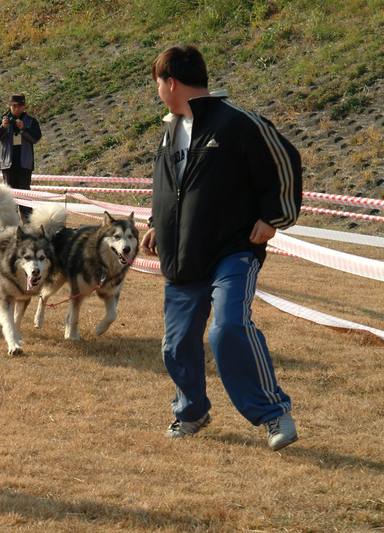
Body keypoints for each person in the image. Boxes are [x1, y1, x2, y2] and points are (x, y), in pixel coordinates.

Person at [140, 45, 302, 451]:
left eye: (157, 83)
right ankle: (191, 410)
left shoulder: (238, 123)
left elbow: (287, 161)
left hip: (234, 250)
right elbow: (169, 186)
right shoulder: (169, 128)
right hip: (182, 254)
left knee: (228, 329)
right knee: (176, 344)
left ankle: (273, 413)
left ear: (170, 82)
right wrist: (156, 225)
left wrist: (275, 217)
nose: (157, 90)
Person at [0, 94, 42, 222]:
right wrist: (3, 127)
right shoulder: (2, 120)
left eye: (20, 106)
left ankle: (28, 227)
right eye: (14, 106)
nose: (17, 109)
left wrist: (23, 129)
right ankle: (10, 226)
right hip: (8, 165)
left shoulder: (31, 121)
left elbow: (36, 138)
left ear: (24, 106)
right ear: (10, 106)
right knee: (9, 198)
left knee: (25, 198)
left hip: (25, 165)